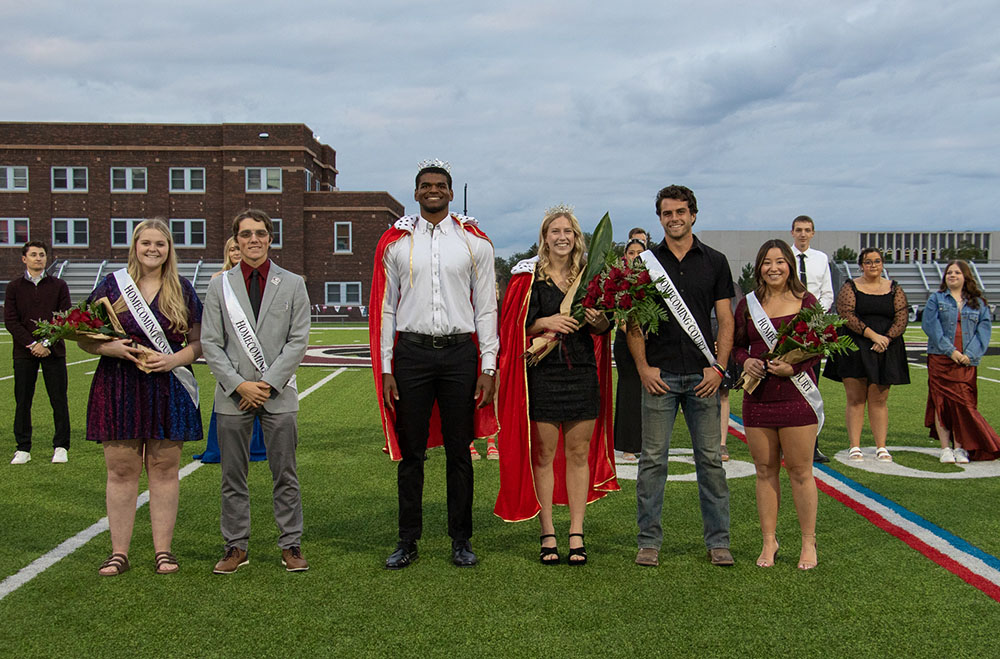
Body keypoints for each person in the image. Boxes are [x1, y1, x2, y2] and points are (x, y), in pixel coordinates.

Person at [370, 159, 498, 570]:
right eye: (426, 185)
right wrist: (387, 367)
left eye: (440, 185)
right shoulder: (397, 243)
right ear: (416, 192)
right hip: (412, 355)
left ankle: (461, 539)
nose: (433, 190)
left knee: (461, 450)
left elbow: (486, 309)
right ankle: (408, 539)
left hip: (461, 353)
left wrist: (489, 366)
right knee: (412, 453)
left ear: (450, 191)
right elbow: (387, 309)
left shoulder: (474, 242)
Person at [495, 206, 619, 566]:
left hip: (581, 373)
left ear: (577, 238)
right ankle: (547, 530)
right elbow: (512, 326)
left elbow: (603, 328)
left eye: (569, 231)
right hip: (543, 375)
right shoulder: (527, 277)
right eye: (555, 231)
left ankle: (576, 532)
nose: (562, 237)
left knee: (578, 454)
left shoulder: (591, 276)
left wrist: (597, 321)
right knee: (544, 455)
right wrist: (544, 321)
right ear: (544, 238)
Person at [80, 219, 203, 575]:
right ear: (134, 246)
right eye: (146, 243)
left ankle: (163, 551)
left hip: (168, 385)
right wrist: (110, 347)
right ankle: (119, 552)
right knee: (121, 471)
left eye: (160, 244)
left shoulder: (182, 288)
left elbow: (197, 343)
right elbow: (84, 336)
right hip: (118, 384)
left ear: (169, 249)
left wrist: (172, 359)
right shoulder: (112, 285)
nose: (153, 249)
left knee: (164, 470)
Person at [627, 185, 735, 568]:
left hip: (703, 377)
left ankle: (718, 541)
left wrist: (719, 367)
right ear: (659, 218)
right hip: (660, 376)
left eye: (681, 211)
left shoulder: (716, 261)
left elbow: (725, 320)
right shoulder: (645, 264)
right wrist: (642, 368)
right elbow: (634, 320)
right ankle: (648, 542)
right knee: (652, 461)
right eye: (667, 213)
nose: (674, 218)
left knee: (710, 461)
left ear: (693, 214)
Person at [201, 209, 311, 574]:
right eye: (246, 234)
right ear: (236, 240)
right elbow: (211, 344)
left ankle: (290, 544)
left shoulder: (293, 283)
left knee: (285, 474)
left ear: (269, 238)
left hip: (278, 393)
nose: (253, 240)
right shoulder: (219, 285)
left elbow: (298, 341)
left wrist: (265, 385)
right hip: (233, 396)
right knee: (233, 476)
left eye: (260, 233)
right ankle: (236, 546)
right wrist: (239, 385)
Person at [734, 240, 821, 570]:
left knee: (801, 472)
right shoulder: (748, 304)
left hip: (797, 398)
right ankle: (769, 541)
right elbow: (738, 347)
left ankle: (808, 543)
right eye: (767, 262)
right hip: (758, 399)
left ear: (790, 266)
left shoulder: (806, 301)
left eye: (780, 262)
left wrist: (794, 368)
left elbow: (819, 347)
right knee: (765, 471)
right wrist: (746, 362)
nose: (773, 268)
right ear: (758, 267)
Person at [823, 247, 909, 462]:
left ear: (882, 264)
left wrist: (886, 339)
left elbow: (902, 317)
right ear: (861, 265)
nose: (873, 265)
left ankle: (881, 446)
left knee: (879, 399)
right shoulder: (851, 286)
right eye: (868, 262)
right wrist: (873, 336)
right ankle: (855, 446)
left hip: (886, 348)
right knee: (855, 398)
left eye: (877, 261)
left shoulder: (894, 288)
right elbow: (846, 314)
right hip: (855, 346)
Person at [194, 237, 267, 464]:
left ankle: (256, 448)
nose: (236, 251)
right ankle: (218, 449)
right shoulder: (219, 280)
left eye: (239, 247)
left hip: (255, 347)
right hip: (229, 349)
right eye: (232, 248)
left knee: (258, 395)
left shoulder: (259, 277)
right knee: (227, 397)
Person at [921, 260, 999, 462]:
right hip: (941, 359)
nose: (952, 275)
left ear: (966, 276)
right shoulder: (935, 299)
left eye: (956, 272)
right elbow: (931, 327)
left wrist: (968, 355)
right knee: (941, 403)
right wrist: (951, 351)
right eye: (949, 273)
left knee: (964, 404)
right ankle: (945, 448)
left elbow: (984, 331)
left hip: (966, 362)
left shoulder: (979, 303)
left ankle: (960, 447)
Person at [5, 240, 72, 465]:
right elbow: (11, 322)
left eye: (42, 254)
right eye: (33, 254)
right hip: (24, 353)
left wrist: (46, 343)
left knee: (59, 399)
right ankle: (23, 448)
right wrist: (33, 345)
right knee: (23, 400)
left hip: (53, 351)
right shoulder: (14, 287)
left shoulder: (59, 285)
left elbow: (63, 318)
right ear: (24, 259)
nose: (38, 258)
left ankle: (61, 446)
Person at [790, 215, 835, 463]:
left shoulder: (821, 259)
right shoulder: (784, 256)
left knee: (811, 388)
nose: (803, 234)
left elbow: (827, 294)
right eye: (799, 230)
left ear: (813, 233)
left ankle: (812, 445)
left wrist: (814, 315)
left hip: (812, 332)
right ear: (792, 232)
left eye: (807, 230)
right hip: (786, 331)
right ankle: (786, 443)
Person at [614, 238, 647, 463]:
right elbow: (618, 314)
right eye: (631, 252)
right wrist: (634, 334)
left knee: (648, 393)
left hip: (649, 342)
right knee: (629, 392)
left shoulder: (653, 280)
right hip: (626, 342)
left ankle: (645, 443)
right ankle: (627, 446)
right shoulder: (618, 280)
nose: (635, 256)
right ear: (625, 256)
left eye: (639, 252)